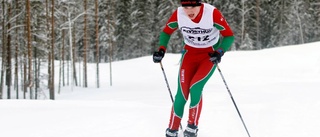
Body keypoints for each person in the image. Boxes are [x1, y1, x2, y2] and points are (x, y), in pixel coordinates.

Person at [153, 0, 234, 137]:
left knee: (195, 87)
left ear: (200, 5)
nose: (189, 10)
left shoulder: (211, 13)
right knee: (182, 93)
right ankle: (172, 129)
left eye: (192, 7)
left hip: (208, 56)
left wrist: (220, 51)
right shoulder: (179, 14)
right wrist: (161, 49)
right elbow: (166, 32)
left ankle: (192, 126)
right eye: (185, 7)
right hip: (189, 55)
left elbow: (228, 36)